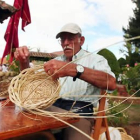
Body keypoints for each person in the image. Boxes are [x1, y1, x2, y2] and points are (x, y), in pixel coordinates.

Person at [14, 23, 116, 140]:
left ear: (81, 40)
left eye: (70, 38)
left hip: (79, 113)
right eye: (62, 39)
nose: (65, 43)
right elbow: (34, 82)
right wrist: (24, 62)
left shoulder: (95, 60)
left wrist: (73, 69)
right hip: (52, 109)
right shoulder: (55, 61)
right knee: (21, 131)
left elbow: (111, 83)